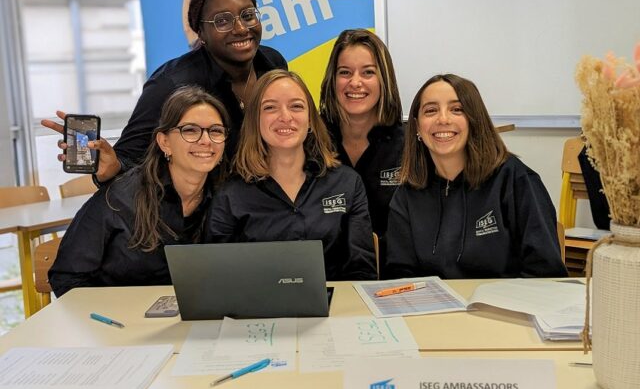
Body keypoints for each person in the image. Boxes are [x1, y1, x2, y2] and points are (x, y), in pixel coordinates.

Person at [41, 0, 286, 183]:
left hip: (259, 207)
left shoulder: (272, 63)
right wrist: (111, 167)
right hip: (199, 219)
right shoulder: (172, 83)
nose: (242, 28)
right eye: (222, 21)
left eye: (248, 15)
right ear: (199, 32)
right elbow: (128, 157)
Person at [48, 86, 230, 297]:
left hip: (190, 320)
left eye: (216, 130)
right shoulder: (120, 198)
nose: (206, 140)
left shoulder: (227, 198)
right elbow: (67, 277)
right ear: (164, 142)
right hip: (117, 323)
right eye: (190, 130)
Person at [385, 74, 567, 279]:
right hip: (432, 310)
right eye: (431, 110)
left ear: (474, 119)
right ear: (417, 127)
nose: (443, 119)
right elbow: (399, 276)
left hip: (505, 308)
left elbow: (546, 272)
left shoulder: (516, 180)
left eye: (457, 109)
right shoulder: (407, 195)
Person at [206, 70, 377, 281]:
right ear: (254, 121)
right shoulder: (230, 194)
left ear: (311, 119)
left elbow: (362, 271)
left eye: (296, 106)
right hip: (258, 310)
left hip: (335, 309)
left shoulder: (347, 183)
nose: (285, 117)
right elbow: (216, 276)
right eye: (270, 108)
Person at [319, 29, 404, 263]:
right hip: (329, 278)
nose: (355, 83)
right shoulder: (311, 142)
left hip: (396, 277)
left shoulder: (409, 145)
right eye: (345, 72)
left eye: (368, 72)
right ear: (332, 79)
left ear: (384, 79)